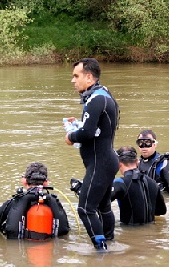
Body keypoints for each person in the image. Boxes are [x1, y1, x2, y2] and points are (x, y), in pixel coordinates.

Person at [64, 58, 119, 250]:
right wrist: (80, 125)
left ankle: (102, 252)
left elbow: (87, 134)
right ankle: (111, 244)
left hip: (100, 163)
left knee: (85, 209)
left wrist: (71, 135)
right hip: (107, 159)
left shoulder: (95, 100)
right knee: (103, 208)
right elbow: (100, 130)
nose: (73, 81)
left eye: (76, 76)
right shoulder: (103, 95)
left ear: (89, 77)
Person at [71, 146, 167, 225]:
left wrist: (79, 189)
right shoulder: (153, 183)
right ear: (137, 161)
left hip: (129, 233)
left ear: (118, 163)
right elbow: (161, 211)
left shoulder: (120, 183)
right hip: (150, 234)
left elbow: (96, 204)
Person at [0, 162, 70, 240]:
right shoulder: (54, 202)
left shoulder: (14, 202)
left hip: (20, 250)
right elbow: (65, 229)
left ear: (24, 181)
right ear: (46, 183)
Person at [136, 129, 169, 195]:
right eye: (140, 143)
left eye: (148, 142)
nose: (144, 146)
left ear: (155, 144)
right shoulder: (136, 164)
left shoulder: (164, 164)